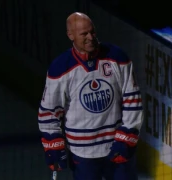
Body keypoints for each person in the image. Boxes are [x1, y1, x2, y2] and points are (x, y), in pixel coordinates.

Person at [37, 12, 143, 180]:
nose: (91, 37)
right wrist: (53, 146)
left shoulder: (117, 57)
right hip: (82, 154)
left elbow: (132, 99)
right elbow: (49, 112)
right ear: (70, 35)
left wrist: (127, 137)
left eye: (92, 32)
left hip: (116, 148)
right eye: (84, 34)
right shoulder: (60, 68)